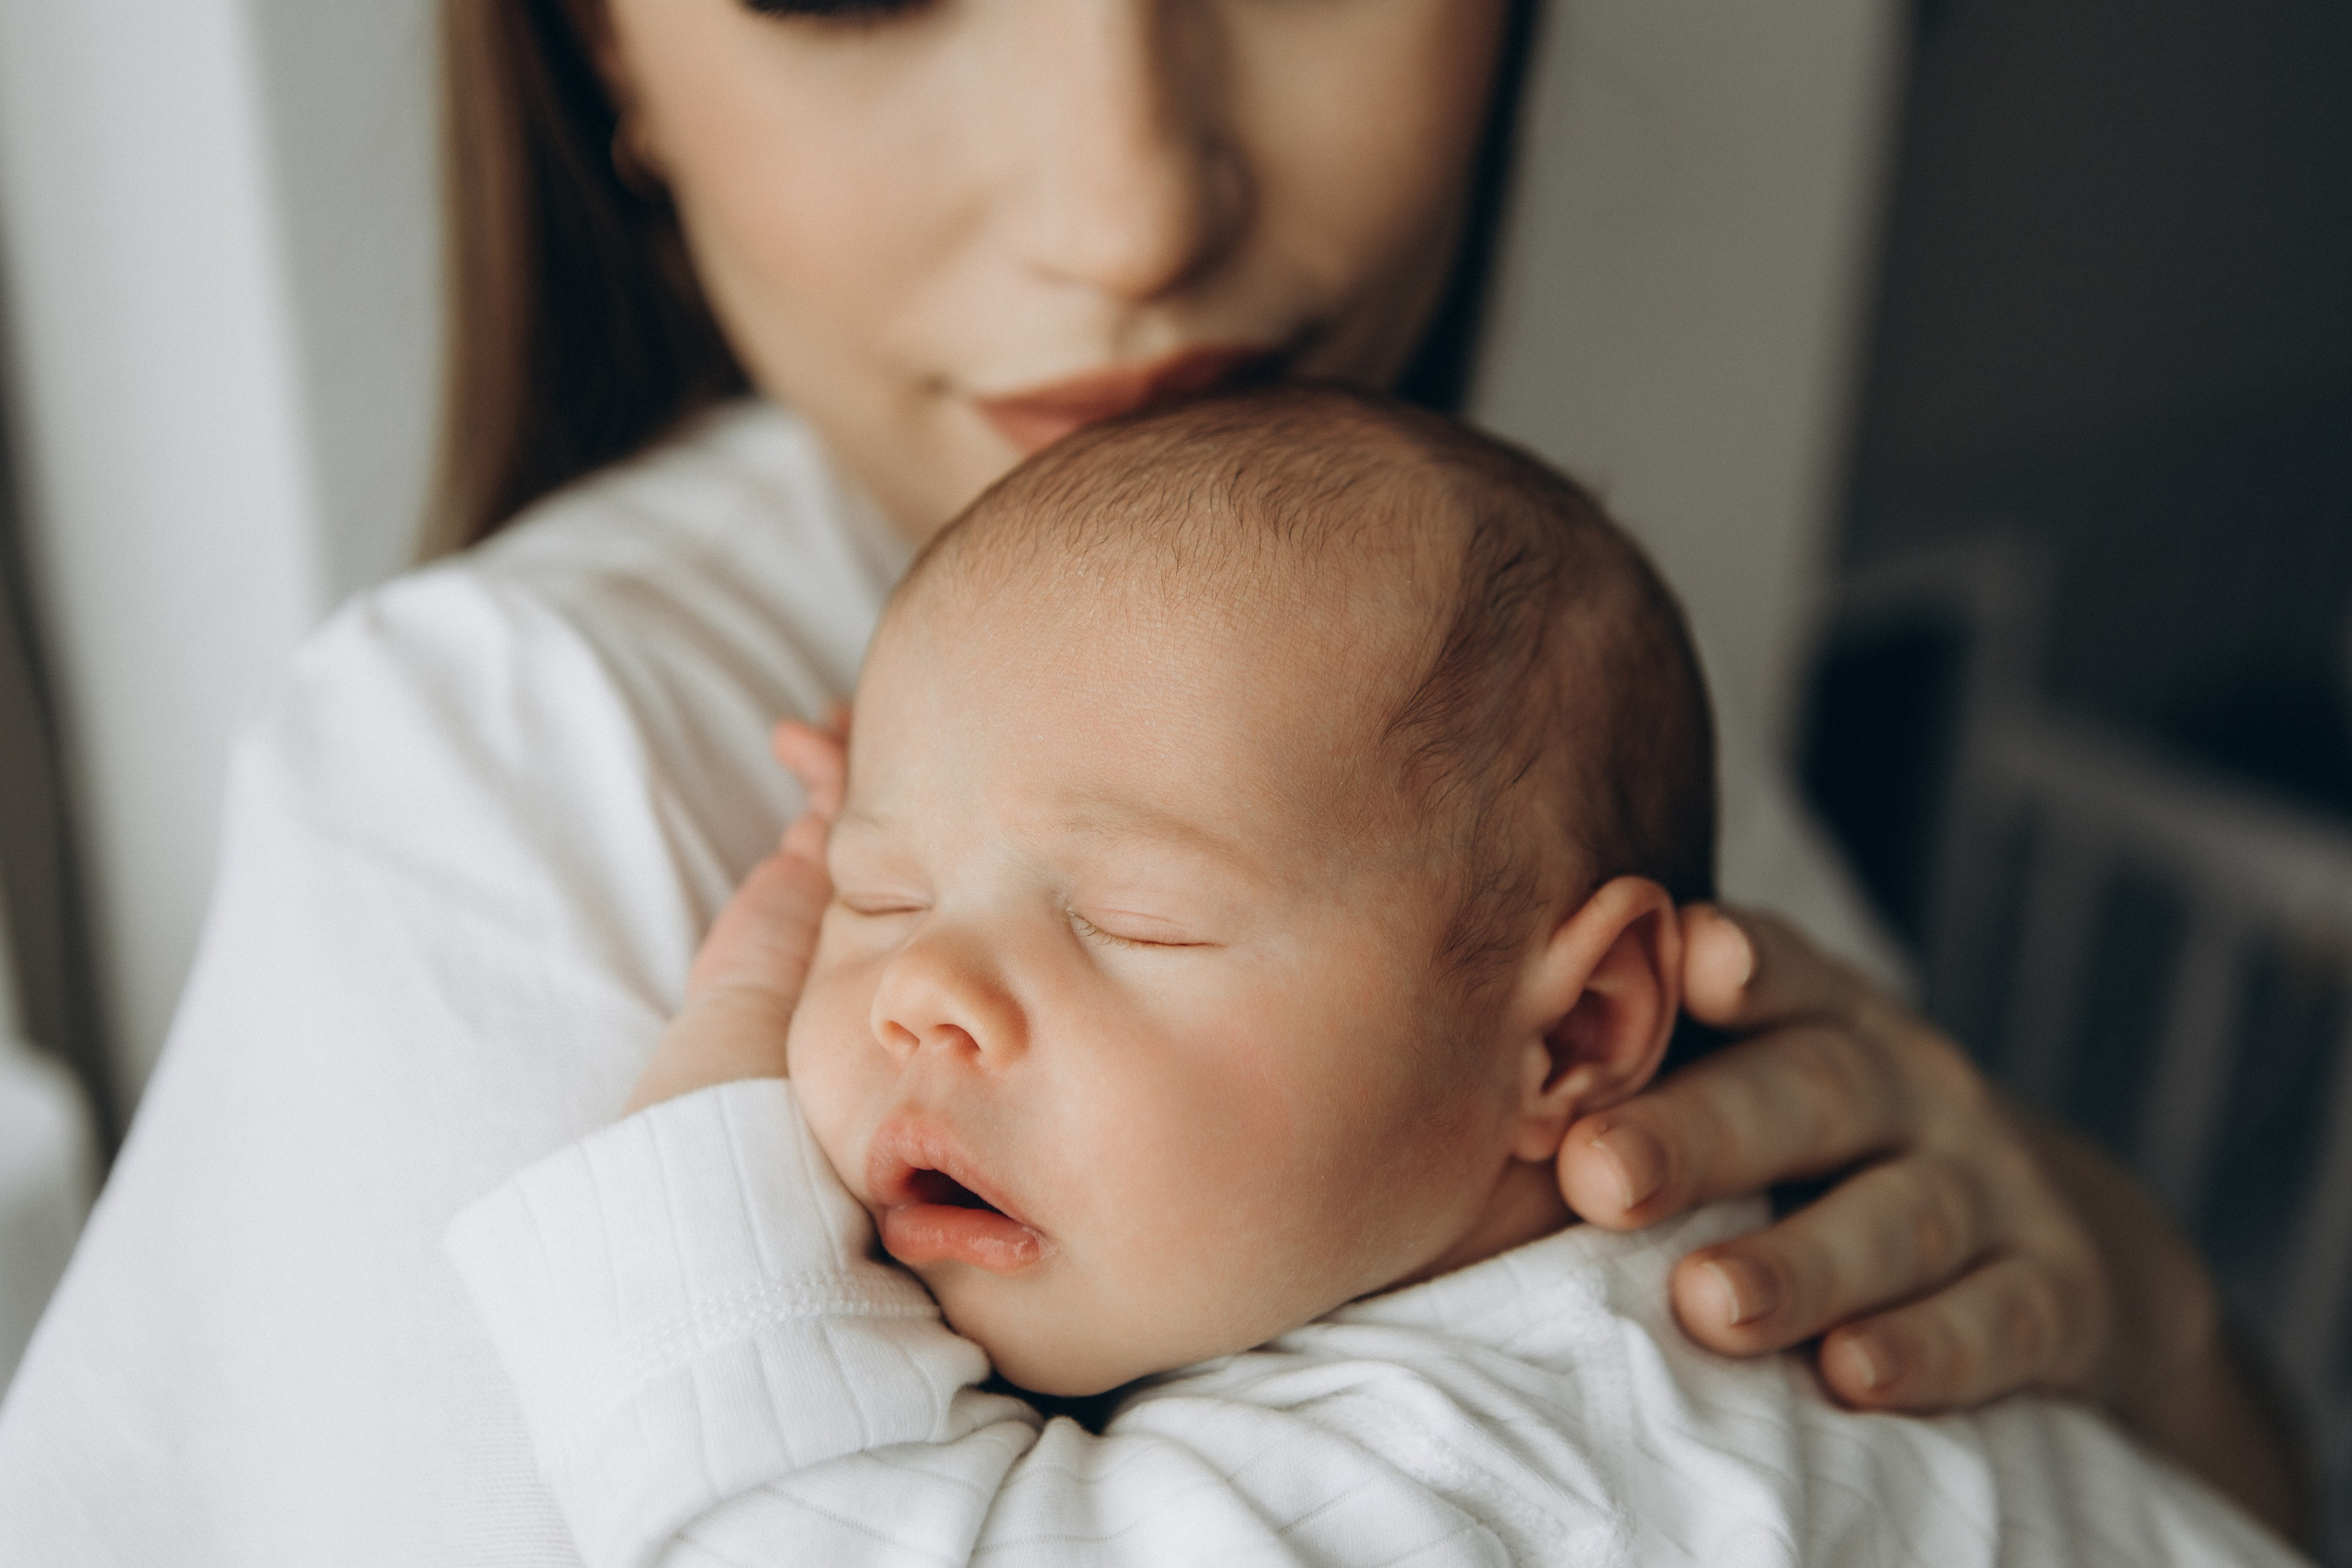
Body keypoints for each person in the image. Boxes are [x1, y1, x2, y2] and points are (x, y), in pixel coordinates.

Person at [0, 1, 2303, 1562]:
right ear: (603, 40)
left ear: (1580, 1020)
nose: (1129, 208)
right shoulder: (518, 750)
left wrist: (2131, 1306)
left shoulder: (1532, 710)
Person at [448, 387, 2294, 1565]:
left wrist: (716, 1071)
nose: (927, 991)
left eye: (1130, 919)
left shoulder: (1499, 1465)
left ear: (1570, 1029)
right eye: (875, 886)